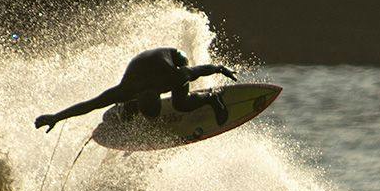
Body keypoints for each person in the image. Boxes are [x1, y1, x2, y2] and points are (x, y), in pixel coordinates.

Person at [34, 48, 236, 132]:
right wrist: (56, 117)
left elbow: (201, 69)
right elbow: (89, 105)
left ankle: (212, 99)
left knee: (180, 104)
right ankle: (127, 112)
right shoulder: (125, 91)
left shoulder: (174, 77)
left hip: (172, 56)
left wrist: (220, 69)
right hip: (141, 69)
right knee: (126, 112)